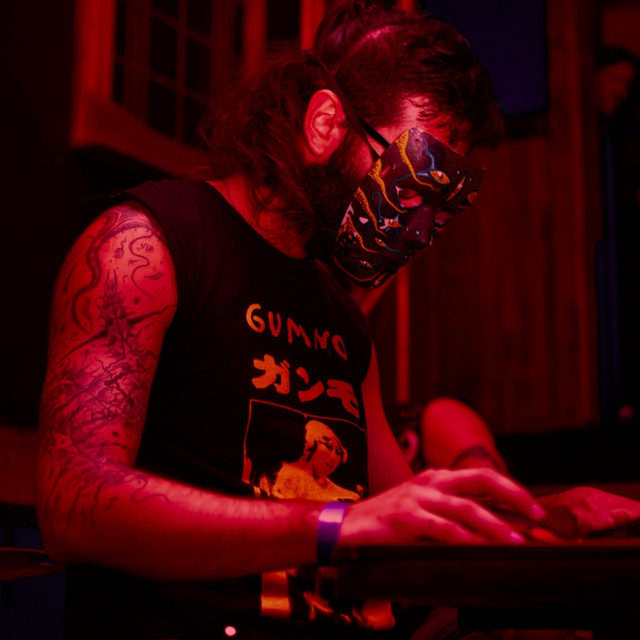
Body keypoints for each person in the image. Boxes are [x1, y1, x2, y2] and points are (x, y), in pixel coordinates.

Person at [35, 2, 636, 639]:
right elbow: (72, 505)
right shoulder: (144, 247)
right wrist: (333, 526)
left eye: (439, 207)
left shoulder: (340, 319)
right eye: (412, 189)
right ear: (326, 124)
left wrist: (544, 521)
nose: (419, 228)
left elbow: (411, 523)